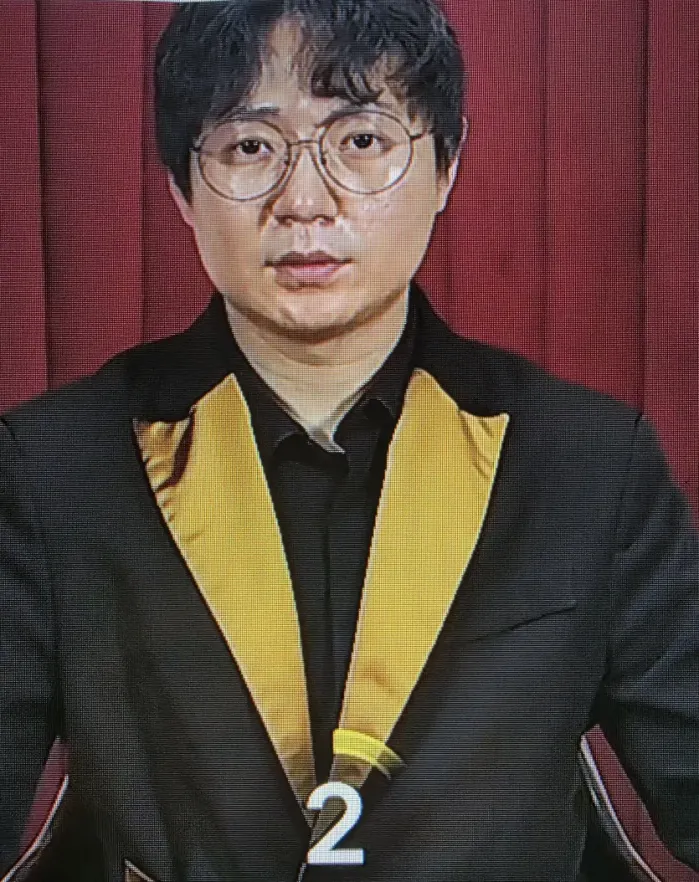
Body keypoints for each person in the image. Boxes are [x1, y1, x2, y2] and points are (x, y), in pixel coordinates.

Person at [0, 1, 697, 880]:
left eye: (360, 140)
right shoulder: (55, 468)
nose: (304, 202)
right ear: (181, 187)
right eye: (250, 147)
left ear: (445, 166)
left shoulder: (585, 463)